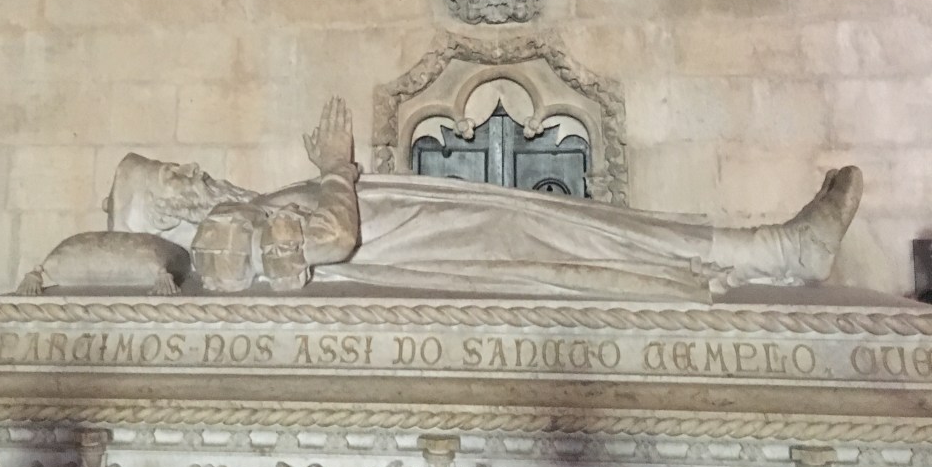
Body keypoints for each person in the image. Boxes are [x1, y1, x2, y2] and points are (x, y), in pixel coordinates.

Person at [100, 99, 863, 302]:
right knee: (589, 236)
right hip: (436, 243)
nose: (189, 175)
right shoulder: (235, 230)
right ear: (167, 218)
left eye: (174, 169)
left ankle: (773, 248)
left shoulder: (246, 210)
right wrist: (335, 166)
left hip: (430, 227)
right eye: (172, 183)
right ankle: (776, 250)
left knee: (589, 228)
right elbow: (336, 235)